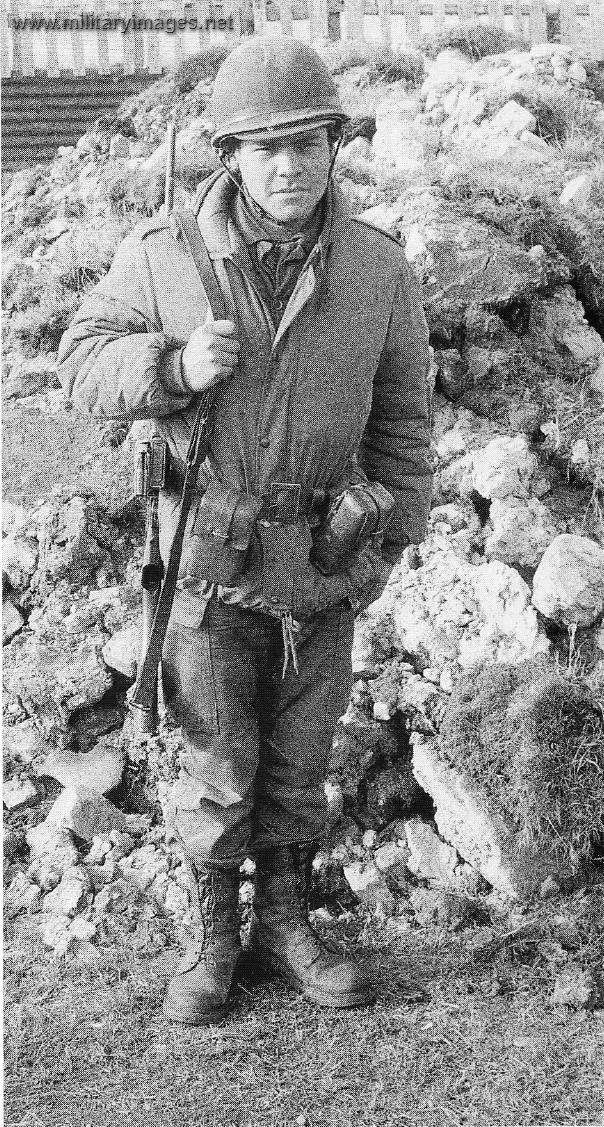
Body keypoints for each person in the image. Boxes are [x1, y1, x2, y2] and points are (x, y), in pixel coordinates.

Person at [57, 35, 433, 1025]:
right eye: (264, 146)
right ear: (229, 153)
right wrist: (173, 367)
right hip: (206, 570)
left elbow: (403, 421)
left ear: (334, 144)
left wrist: (387, 544)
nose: (288, 164)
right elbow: (80, 364)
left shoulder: (378, 269)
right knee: (217, 762)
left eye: (306, 142)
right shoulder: (163, 257)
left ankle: (287, 925)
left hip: (323, 568)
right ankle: (216, 940)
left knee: (300, 763)